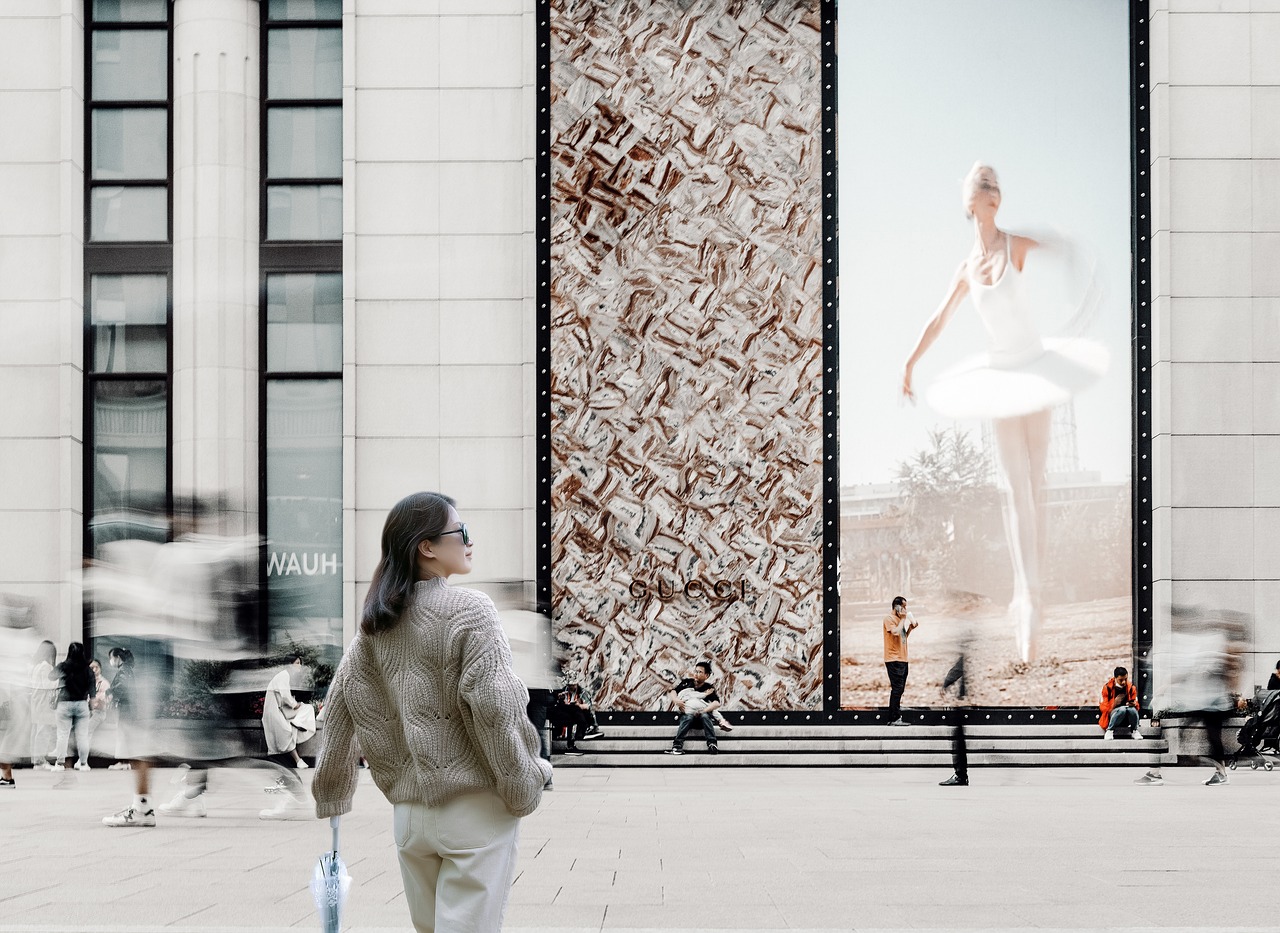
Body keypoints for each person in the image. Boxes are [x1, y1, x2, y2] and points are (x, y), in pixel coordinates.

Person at [312, 492, 551, 933]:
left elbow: (341, 706)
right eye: (460, 532)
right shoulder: (471, 610)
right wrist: (524, 783)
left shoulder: (376, 625)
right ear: (426, 546)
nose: (469, 541)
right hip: (473, 811)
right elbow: (495, 706)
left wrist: (332, 793)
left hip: (409, 819)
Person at [901, 163, 1108, 663]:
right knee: (1015, 490)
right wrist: (909, 362)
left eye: (994, 179)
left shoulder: (1016, 244)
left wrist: (1084, 301)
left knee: (1036, 486)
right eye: (980, 179)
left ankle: (1033, 599)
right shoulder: (966, 268)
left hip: (1034, 368)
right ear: (969, 201)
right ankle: (1025, 598)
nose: (989, 181)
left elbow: (1068, 247)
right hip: (999, 376)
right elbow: (938, 318)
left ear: (999, 198)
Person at [102, 647, 157, 826]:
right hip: (129, 711)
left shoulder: (124, 671)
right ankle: (142, 806)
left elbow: (122, 688)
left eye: (112, 658)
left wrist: (109, 693)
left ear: (117, 658)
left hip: (127, 712)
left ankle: (143, 807)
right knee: (134, 745)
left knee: (135, 746)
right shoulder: (127, 669)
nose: (111, 661)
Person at [261, 658, 315, 770]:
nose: (299, 666)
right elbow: (285, 695)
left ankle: (297, 722)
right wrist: (294, 705)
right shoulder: (284, 675)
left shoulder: (287, 676)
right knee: (288, 730)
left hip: (281, 709)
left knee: (308, 708)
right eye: (297, 663)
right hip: (275, 711)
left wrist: (295, 704)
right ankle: (298, 760)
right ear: (290, 664)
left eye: (300, 663)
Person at [50, 642, 94, 772]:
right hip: (81, 704)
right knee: (82, 736)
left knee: (62, 734)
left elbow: (51, 676)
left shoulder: (63, 666)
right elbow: (92, 690)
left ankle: (59, 764)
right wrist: (91, 705)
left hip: (64, 703)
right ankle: (84, 764)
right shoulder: (87, 669)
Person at [662, 661, 722, 755]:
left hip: (701, 719)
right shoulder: (687, 683)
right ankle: (677, 747)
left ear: (707, 675)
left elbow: (717, 703)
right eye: (695, 671)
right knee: (688, 716)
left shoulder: (708, 687)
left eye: (699, 672)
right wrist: (676, 700)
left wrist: (704, 710)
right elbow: (673, 691)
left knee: (705, 716)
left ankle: (712, 744)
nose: (696, 674)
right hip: (687, 717)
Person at [938, 631, 971, 786]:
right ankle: (961, 775)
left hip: (967, 699)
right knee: (959, 736)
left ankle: (960, 775)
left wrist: (946, 683)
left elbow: (960, 666)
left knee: (958, 736)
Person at [883, 596, 918, 725]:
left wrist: (910, 629)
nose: (905, 609)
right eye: (903, 607)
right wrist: (903, 620)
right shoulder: (889, 619)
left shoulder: (899, 620)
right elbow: (896, 633)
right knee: (897, 689)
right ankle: (894, 718)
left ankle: (895, 712)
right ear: (896, 606)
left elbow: (902, 637)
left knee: (900, 689)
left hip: (903, 658)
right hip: (893, 659)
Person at [28, 639, 57, 769]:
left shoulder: (36, 666)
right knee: (43, 731)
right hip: (44, 703)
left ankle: (36, 759)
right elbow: (48, 685)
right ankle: (40, 761)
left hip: (36, 702)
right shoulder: (46, 666)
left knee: (36, 732)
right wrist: (59, 681)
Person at [1099, 666, 1140, 740]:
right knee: (1122, 710)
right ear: (1115, 678)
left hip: (1127, 717)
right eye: (1121, 680)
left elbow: (1137, 705)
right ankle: (1110, 730)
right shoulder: (1107, 688)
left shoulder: (1131, 688)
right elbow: (1103, 708)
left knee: (1132, 710)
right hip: (1113, 716)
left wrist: (1134, 704)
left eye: (1125, 679)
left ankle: (1135, 730)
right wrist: (1114, 703)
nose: (1123, 682)